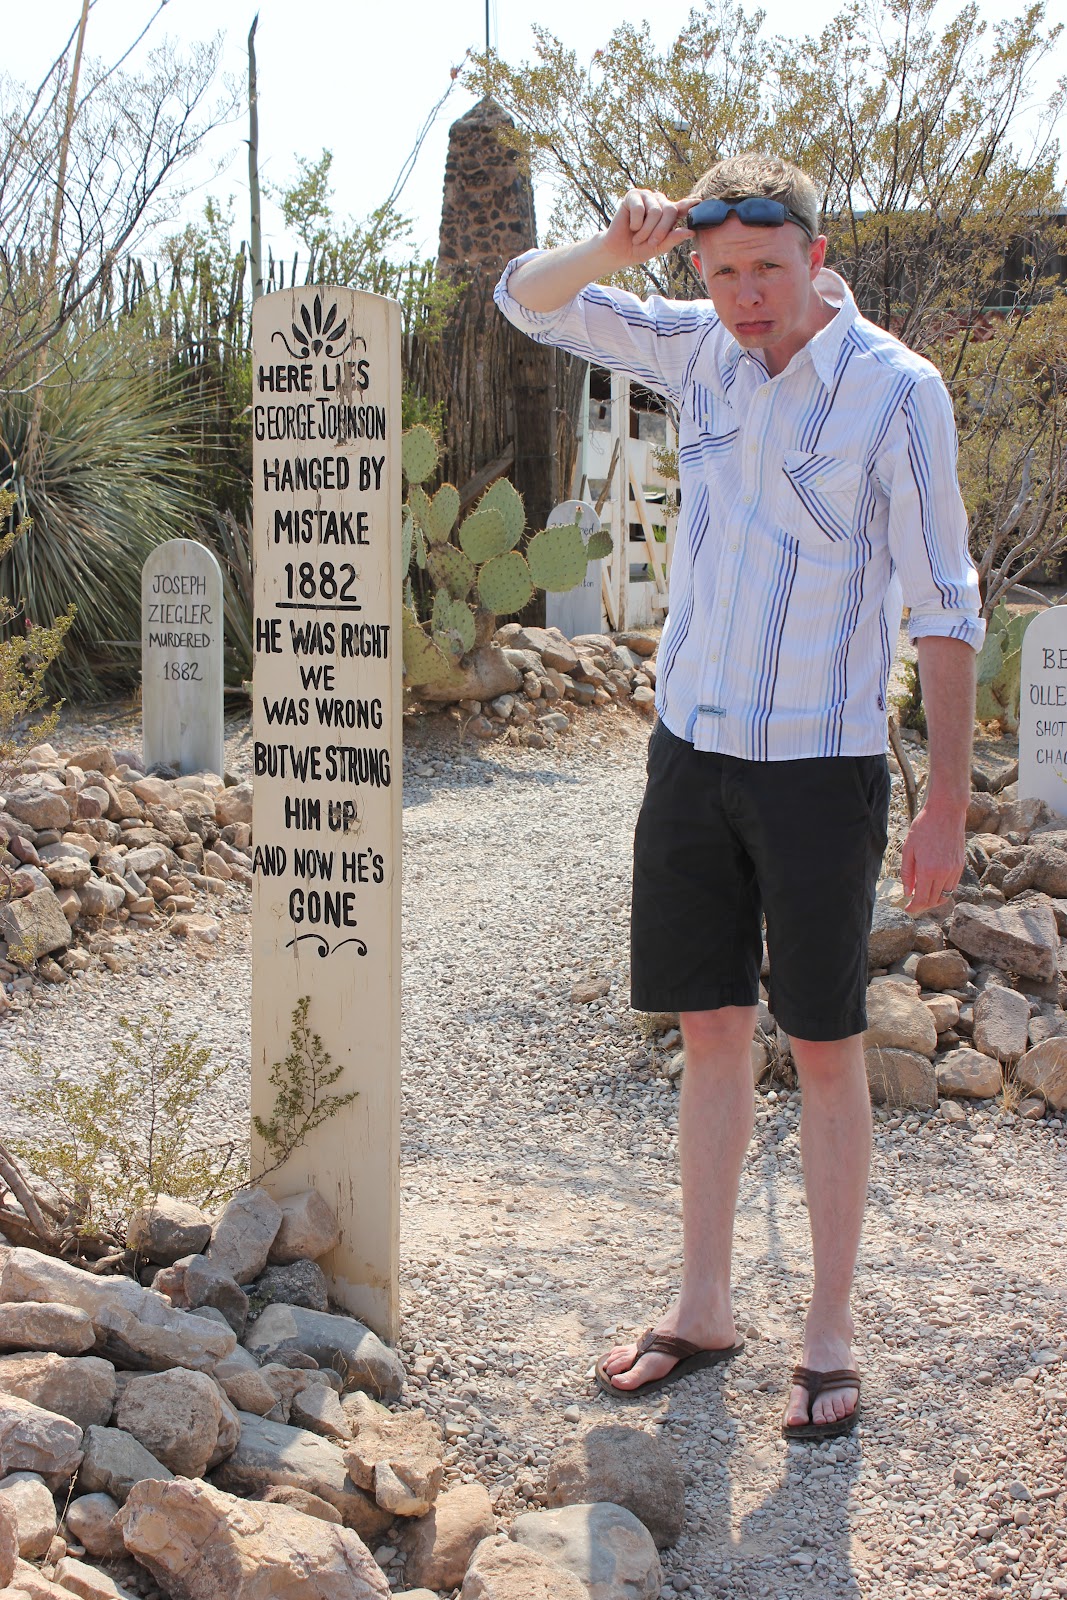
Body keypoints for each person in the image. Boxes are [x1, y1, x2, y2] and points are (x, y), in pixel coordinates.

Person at [494, 153, 983, 1441]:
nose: (746, 295)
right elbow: (524, 299)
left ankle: (830, 1332)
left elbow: (944, 602)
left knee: (823, 1047)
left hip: (824, 768)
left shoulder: (898, 393)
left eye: (769, 268)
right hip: (692, 752)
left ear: (818, 258)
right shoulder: (696, 348)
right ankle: (702, 1306)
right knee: (709, 1033)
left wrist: (945, 800)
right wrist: (615, 249)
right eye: (722, 273)